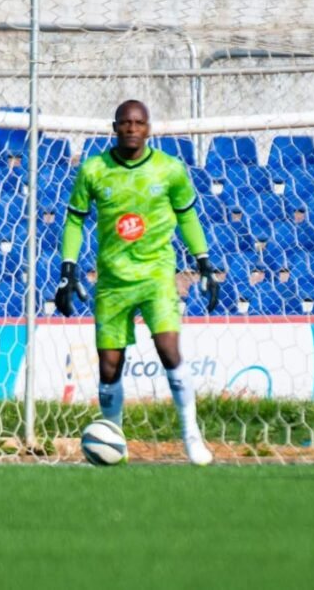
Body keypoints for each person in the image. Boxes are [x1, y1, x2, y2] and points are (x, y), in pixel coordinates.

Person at [54, 100, 220, 465]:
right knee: (109, 365)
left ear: (148, 128)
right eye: (125, 123)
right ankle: (114, 441)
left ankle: (191, 435)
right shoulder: (94, 169)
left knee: (169, 350)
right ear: (114, 128)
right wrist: (69, 268)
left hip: (157, 276)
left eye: (138, 123)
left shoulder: (170, 170)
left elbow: (187, 216)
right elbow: (75, 221)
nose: (132, 128)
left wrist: (203, 261)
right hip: (113, 281)